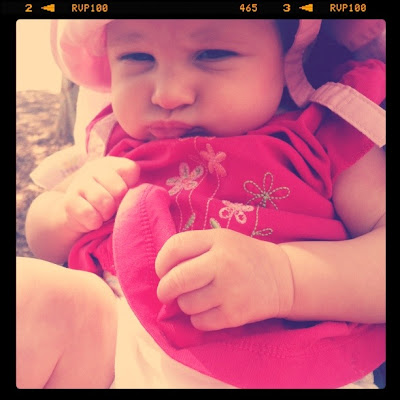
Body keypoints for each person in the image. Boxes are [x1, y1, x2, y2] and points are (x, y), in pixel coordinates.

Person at [17, 19, 386, 389]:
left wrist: (284, 277)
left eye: (212, 54)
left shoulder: (323, 136)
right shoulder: (114, 147)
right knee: (30, 294)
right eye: (137, 57)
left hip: (284, 362)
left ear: (289, 56)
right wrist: (68, 213)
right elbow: (44, 240)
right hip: (114, 340)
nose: (168, 94)